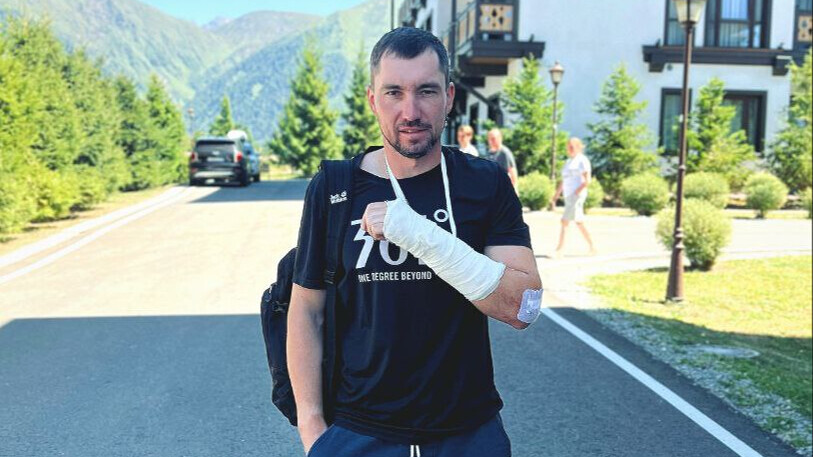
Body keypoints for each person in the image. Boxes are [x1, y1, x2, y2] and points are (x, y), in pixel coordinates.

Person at [287, 27, 542, 457]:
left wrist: (420, 236)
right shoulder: (334, 187)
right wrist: (313, 429)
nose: (411, 111)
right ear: (373, 100)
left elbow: (524, 308)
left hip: (468, 433)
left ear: (449, 96)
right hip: (358, 432)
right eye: (394, 93)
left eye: (426, 91)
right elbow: (306, 310)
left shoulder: (484, 183)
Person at [550, 137, 596, 257]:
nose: (569, 149)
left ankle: (559, 250)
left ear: (579, 147)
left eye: (572, 146)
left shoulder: (582, 160)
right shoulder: (568, 162)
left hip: (576, 196)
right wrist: (556, 195)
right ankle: (593, 246)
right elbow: (563, 181)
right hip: (568, 195)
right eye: (568, 146)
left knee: (564, 221)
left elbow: (587, 180)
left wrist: (577, 192)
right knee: (579, 222)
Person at [486, 128, 518, 194]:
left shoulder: (505, 152)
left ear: (500, 138)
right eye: (489, 139)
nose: (491, 141)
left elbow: (512, 172)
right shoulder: (489, 153)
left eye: (493, 139)